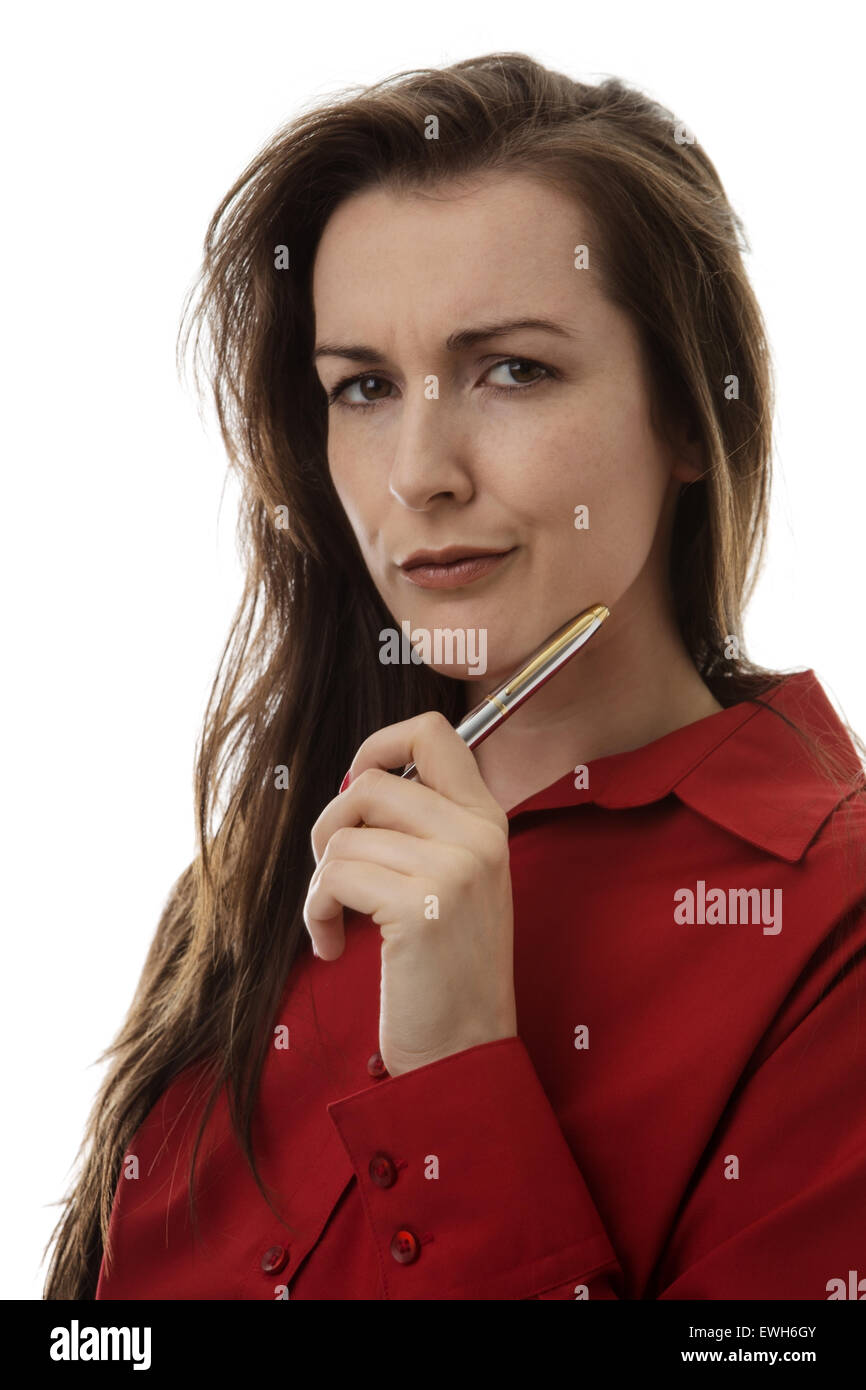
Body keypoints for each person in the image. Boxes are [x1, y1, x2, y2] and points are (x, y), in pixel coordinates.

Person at [44, 52, 866, 1301]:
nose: (415, 472)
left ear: (689, 417)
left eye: (511, 370)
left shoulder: (832, 927)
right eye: (363, 386)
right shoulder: (262, 874)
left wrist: (456, 1074)